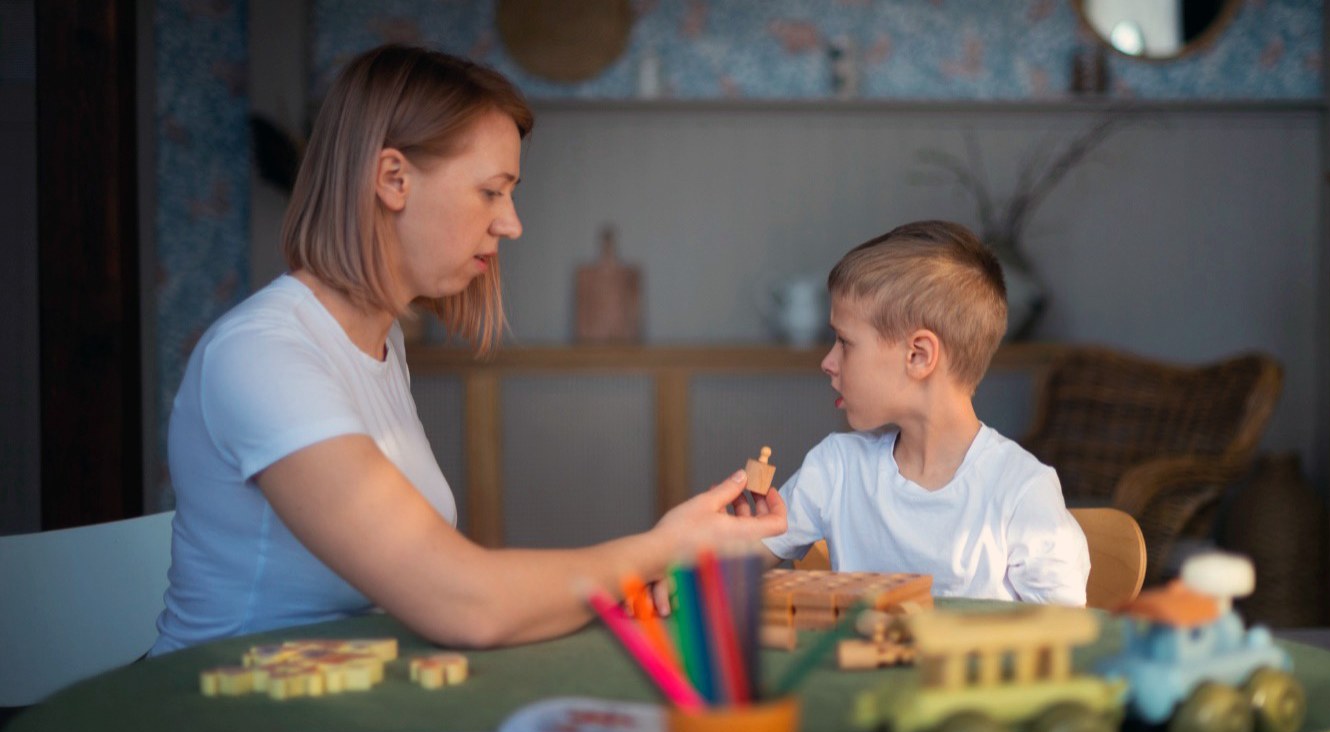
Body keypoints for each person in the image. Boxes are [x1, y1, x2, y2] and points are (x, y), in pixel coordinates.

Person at [150, 45, 785, 656]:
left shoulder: (379, 342)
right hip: (218, 705)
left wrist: (644, 564)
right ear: (393, 178)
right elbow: (466, 604)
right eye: (491, 191)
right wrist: (665, 548)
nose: (511, 223)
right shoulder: (264, 357)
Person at [760, 221, 1090, 606]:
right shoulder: (835, 469)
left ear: (918, 356)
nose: (828, 362)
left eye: (845, 342)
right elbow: (733, 562)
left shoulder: (1021, 492)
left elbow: (1066, 639)